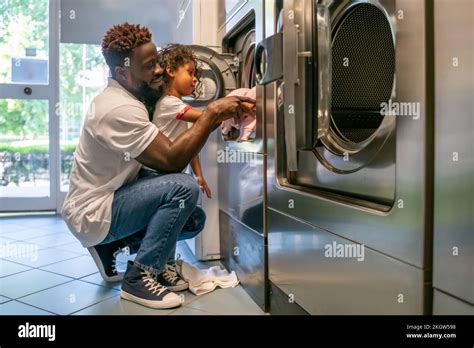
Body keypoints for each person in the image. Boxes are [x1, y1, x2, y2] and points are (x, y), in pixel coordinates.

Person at [61, 23, 254, 310]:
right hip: (93, 211)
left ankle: (137, 255)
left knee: (193, 219)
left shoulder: (133, 99)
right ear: (123, 73)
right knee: (182, 187)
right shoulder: (118, 109)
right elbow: (171, 160)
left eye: (158, 64)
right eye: (150, 66)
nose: (160, 71)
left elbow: (172, 154)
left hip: (114, 199)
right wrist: (213, 111)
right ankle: (139, 277)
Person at [149, 44, 211, 198]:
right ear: (170, 71)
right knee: (187, 189)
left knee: (196, 217)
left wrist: (199, 175)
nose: (195, 79)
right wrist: (232, 107)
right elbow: (207, 116)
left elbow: (189, 146)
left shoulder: (177, 105)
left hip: (162, 173)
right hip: (155, 174)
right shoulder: (168, 103)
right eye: (190, 73)